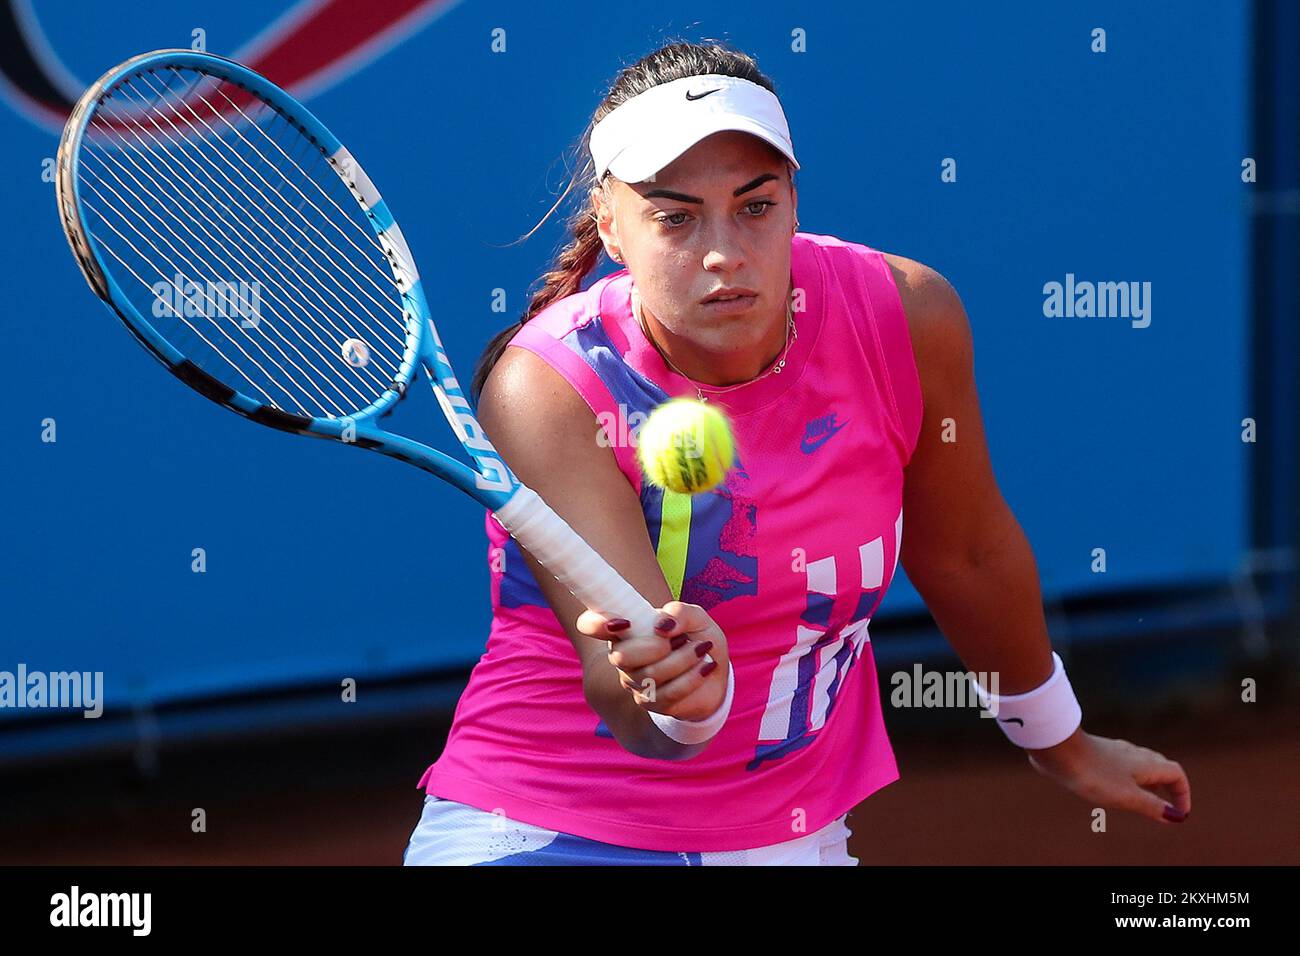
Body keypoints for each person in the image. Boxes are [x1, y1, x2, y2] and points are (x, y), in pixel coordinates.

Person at [403, 40, 1192, 866]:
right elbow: (626, 697)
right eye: (674, 217)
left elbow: (964, 552)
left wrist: (1059, 740)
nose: (724, 252)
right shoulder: (548, 390)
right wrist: (680, 698)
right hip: (552, 829)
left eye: (755, 205)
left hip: (791, 836)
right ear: (611, 227)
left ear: (793, 200)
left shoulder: (904, 317)